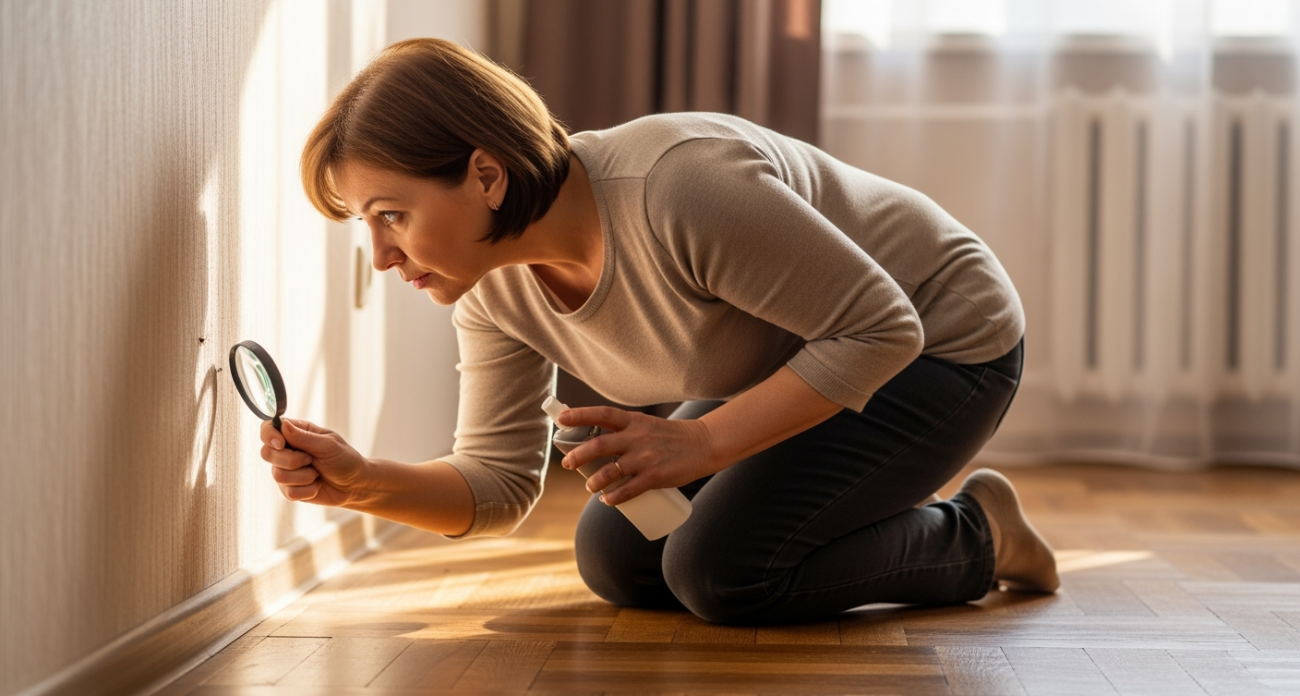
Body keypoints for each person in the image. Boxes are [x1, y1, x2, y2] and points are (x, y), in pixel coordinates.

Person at [260, 37, 1059, 625]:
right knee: (617, 557)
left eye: (391, 215)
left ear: (486, 175)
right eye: (365, 225)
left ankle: (980, 535)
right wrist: (363, 480)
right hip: (796, 354)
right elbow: (498, 483)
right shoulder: (488, 290)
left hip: (943, 338)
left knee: (723, 573)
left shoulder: (679, 189)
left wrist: (704, 443)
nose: (381, 255)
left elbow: (881, 329)